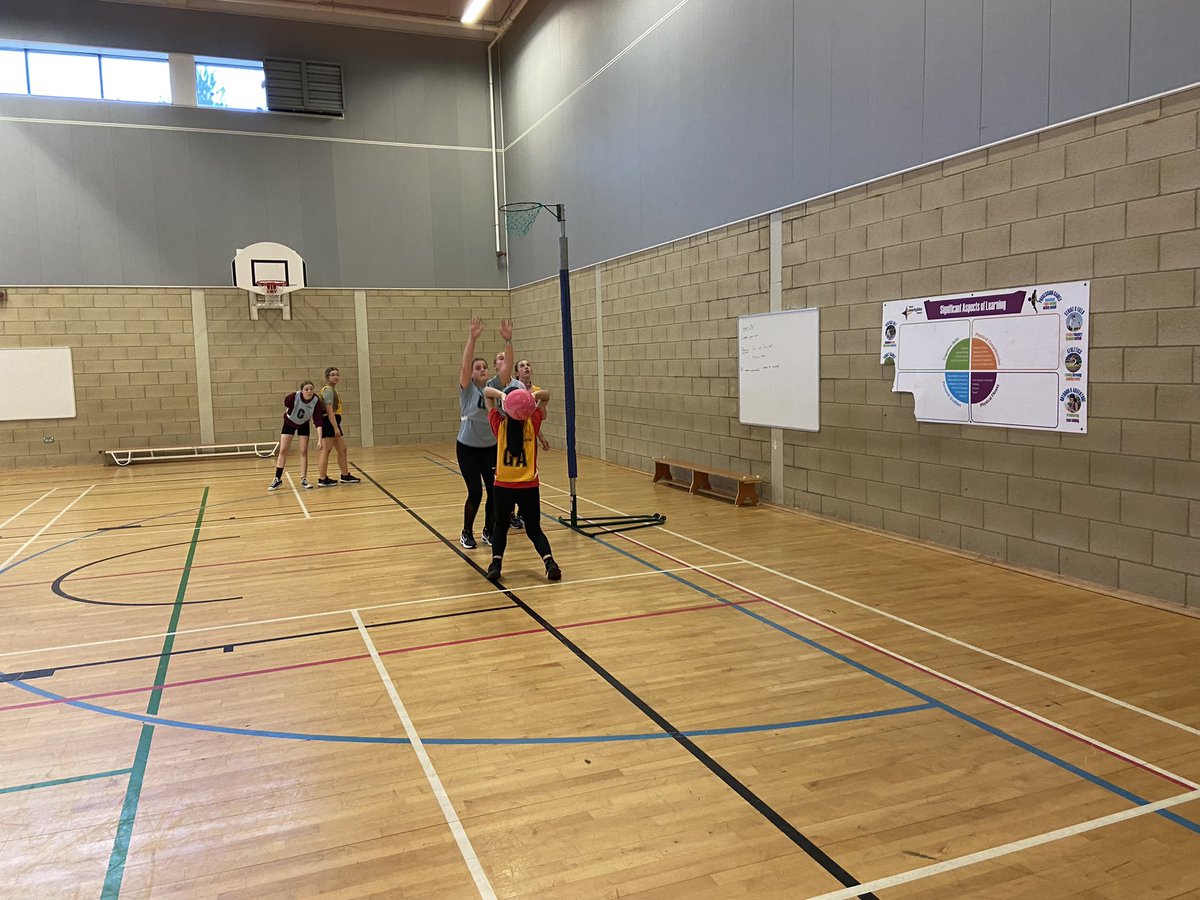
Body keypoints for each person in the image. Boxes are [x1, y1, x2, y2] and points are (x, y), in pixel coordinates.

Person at [482, 382, 561, 583]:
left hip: (503, 486)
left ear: (506, 407)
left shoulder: (499, 425)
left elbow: (487, 394)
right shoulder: (532, 424)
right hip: (528, 486)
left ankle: (496, 564)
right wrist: (531, 396)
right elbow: (547, 395)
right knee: (534, 529)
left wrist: (502, 395)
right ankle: (550, 563)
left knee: (500, 527)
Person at [456, 316, 512, 549]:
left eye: (484, 368)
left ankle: (488, 530)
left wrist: (508, 341)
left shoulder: (493, 387)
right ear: (471, 374)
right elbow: (464, 366)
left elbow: (507, 369)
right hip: (467, 448)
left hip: (490, 448)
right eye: (477, 368)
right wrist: (472, 338)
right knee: (475, 493)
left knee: (494, 491)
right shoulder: (467, 389)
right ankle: (466, 532)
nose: (481, 370)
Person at [487, 350, 527, 530]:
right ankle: (505, 515)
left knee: (519, 471)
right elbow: (488, 396)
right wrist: (502, 395)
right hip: (499, 434)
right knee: (502, 477)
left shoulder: (519, 385)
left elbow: (528, 410)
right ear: (495, 366)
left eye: (506, 358)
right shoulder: (492, 384)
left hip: (518, 433)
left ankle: (517, 512)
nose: (504, 361)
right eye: (500, 358)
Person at [269, 381, 327, 492]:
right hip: (289, 422)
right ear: (301, 391)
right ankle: (277, 478)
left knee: (303, 451)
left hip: (303, 424)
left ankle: (303, 478)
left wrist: (320, 440)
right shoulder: (293, 397)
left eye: (311, 389)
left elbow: (318, 421)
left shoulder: (315, 401)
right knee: (283, 450)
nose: (309, 391)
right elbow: (286, 403)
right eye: (306, 389)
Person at [315, 366, 361, 487]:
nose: (335, 377)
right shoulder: (328, 391)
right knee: (326, 451)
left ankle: (345, 475)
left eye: (337, 374)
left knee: (342, 449)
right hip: (329, 423)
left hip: (334, 422)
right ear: (327, 377)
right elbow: (330, 411)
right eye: (332, 375)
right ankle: (322, 478)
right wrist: (335, 428)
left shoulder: (333, 390)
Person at [515, 358, 551, 452]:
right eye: (522, 366)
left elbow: (542, 417)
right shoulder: (513, 390)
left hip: (530, 434)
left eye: (528, 365)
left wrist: (541, 437)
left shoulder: (537, 391)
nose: (526, 367)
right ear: (517, 373)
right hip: (515, 433)